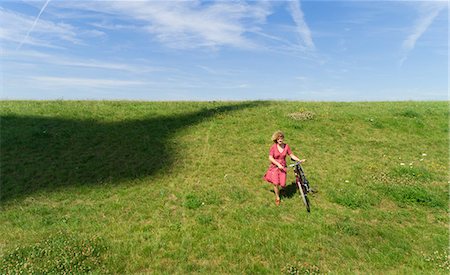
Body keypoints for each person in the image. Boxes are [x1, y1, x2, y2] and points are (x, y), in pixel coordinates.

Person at [263, 130, 305, 206]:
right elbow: (270, 157)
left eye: (281, 138)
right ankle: (277, 197)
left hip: (283, 167)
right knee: (275, 183)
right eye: (278, 138)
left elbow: (291, 155)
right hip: (275, 167)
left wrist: (299, 160)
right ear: (276, 139)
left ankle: (282, 190)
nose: (280, 139)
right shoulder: (273, 147)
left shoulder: (286, 146)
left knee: (283, 184)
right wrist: (278, 164)